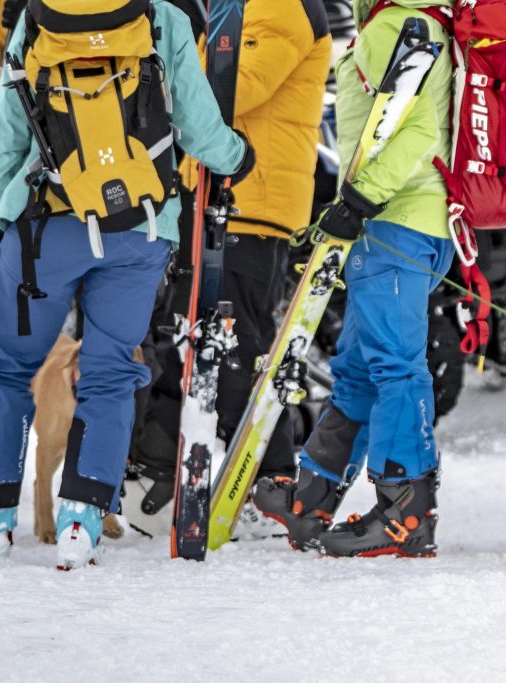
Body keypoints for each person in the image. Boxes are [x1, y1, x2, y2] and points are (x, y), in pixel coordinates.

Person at [0, 0, 253, 568]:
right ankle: (82, 520)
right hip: (139, 229)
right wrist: (237, 158)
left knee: (7, 366)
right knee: (112, 371)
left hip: (48, 225)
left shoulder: (37, 16)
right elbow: (199, 127)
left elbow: (10, 132)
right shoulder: (162, 18)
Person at [253, 0, 453, 557]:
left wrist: (360, 199)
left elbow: (418, 131)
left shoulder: (395, 26)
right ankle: (313, 496)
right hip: (411, 223)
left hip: (395, 223)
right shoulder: (426, 22)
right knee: (360, 370)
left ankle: (405, 514)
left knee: (394, 365)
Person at [124, 0, 332, 537]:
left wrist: (164, 68)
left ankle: (271, 484)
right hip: (218, 193)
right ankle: (157, 480)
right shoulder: (239, 8)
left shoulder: (283, 7)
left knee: (237, 348)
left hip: (249, 200)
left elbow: (227, 89)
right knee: (187, 335)